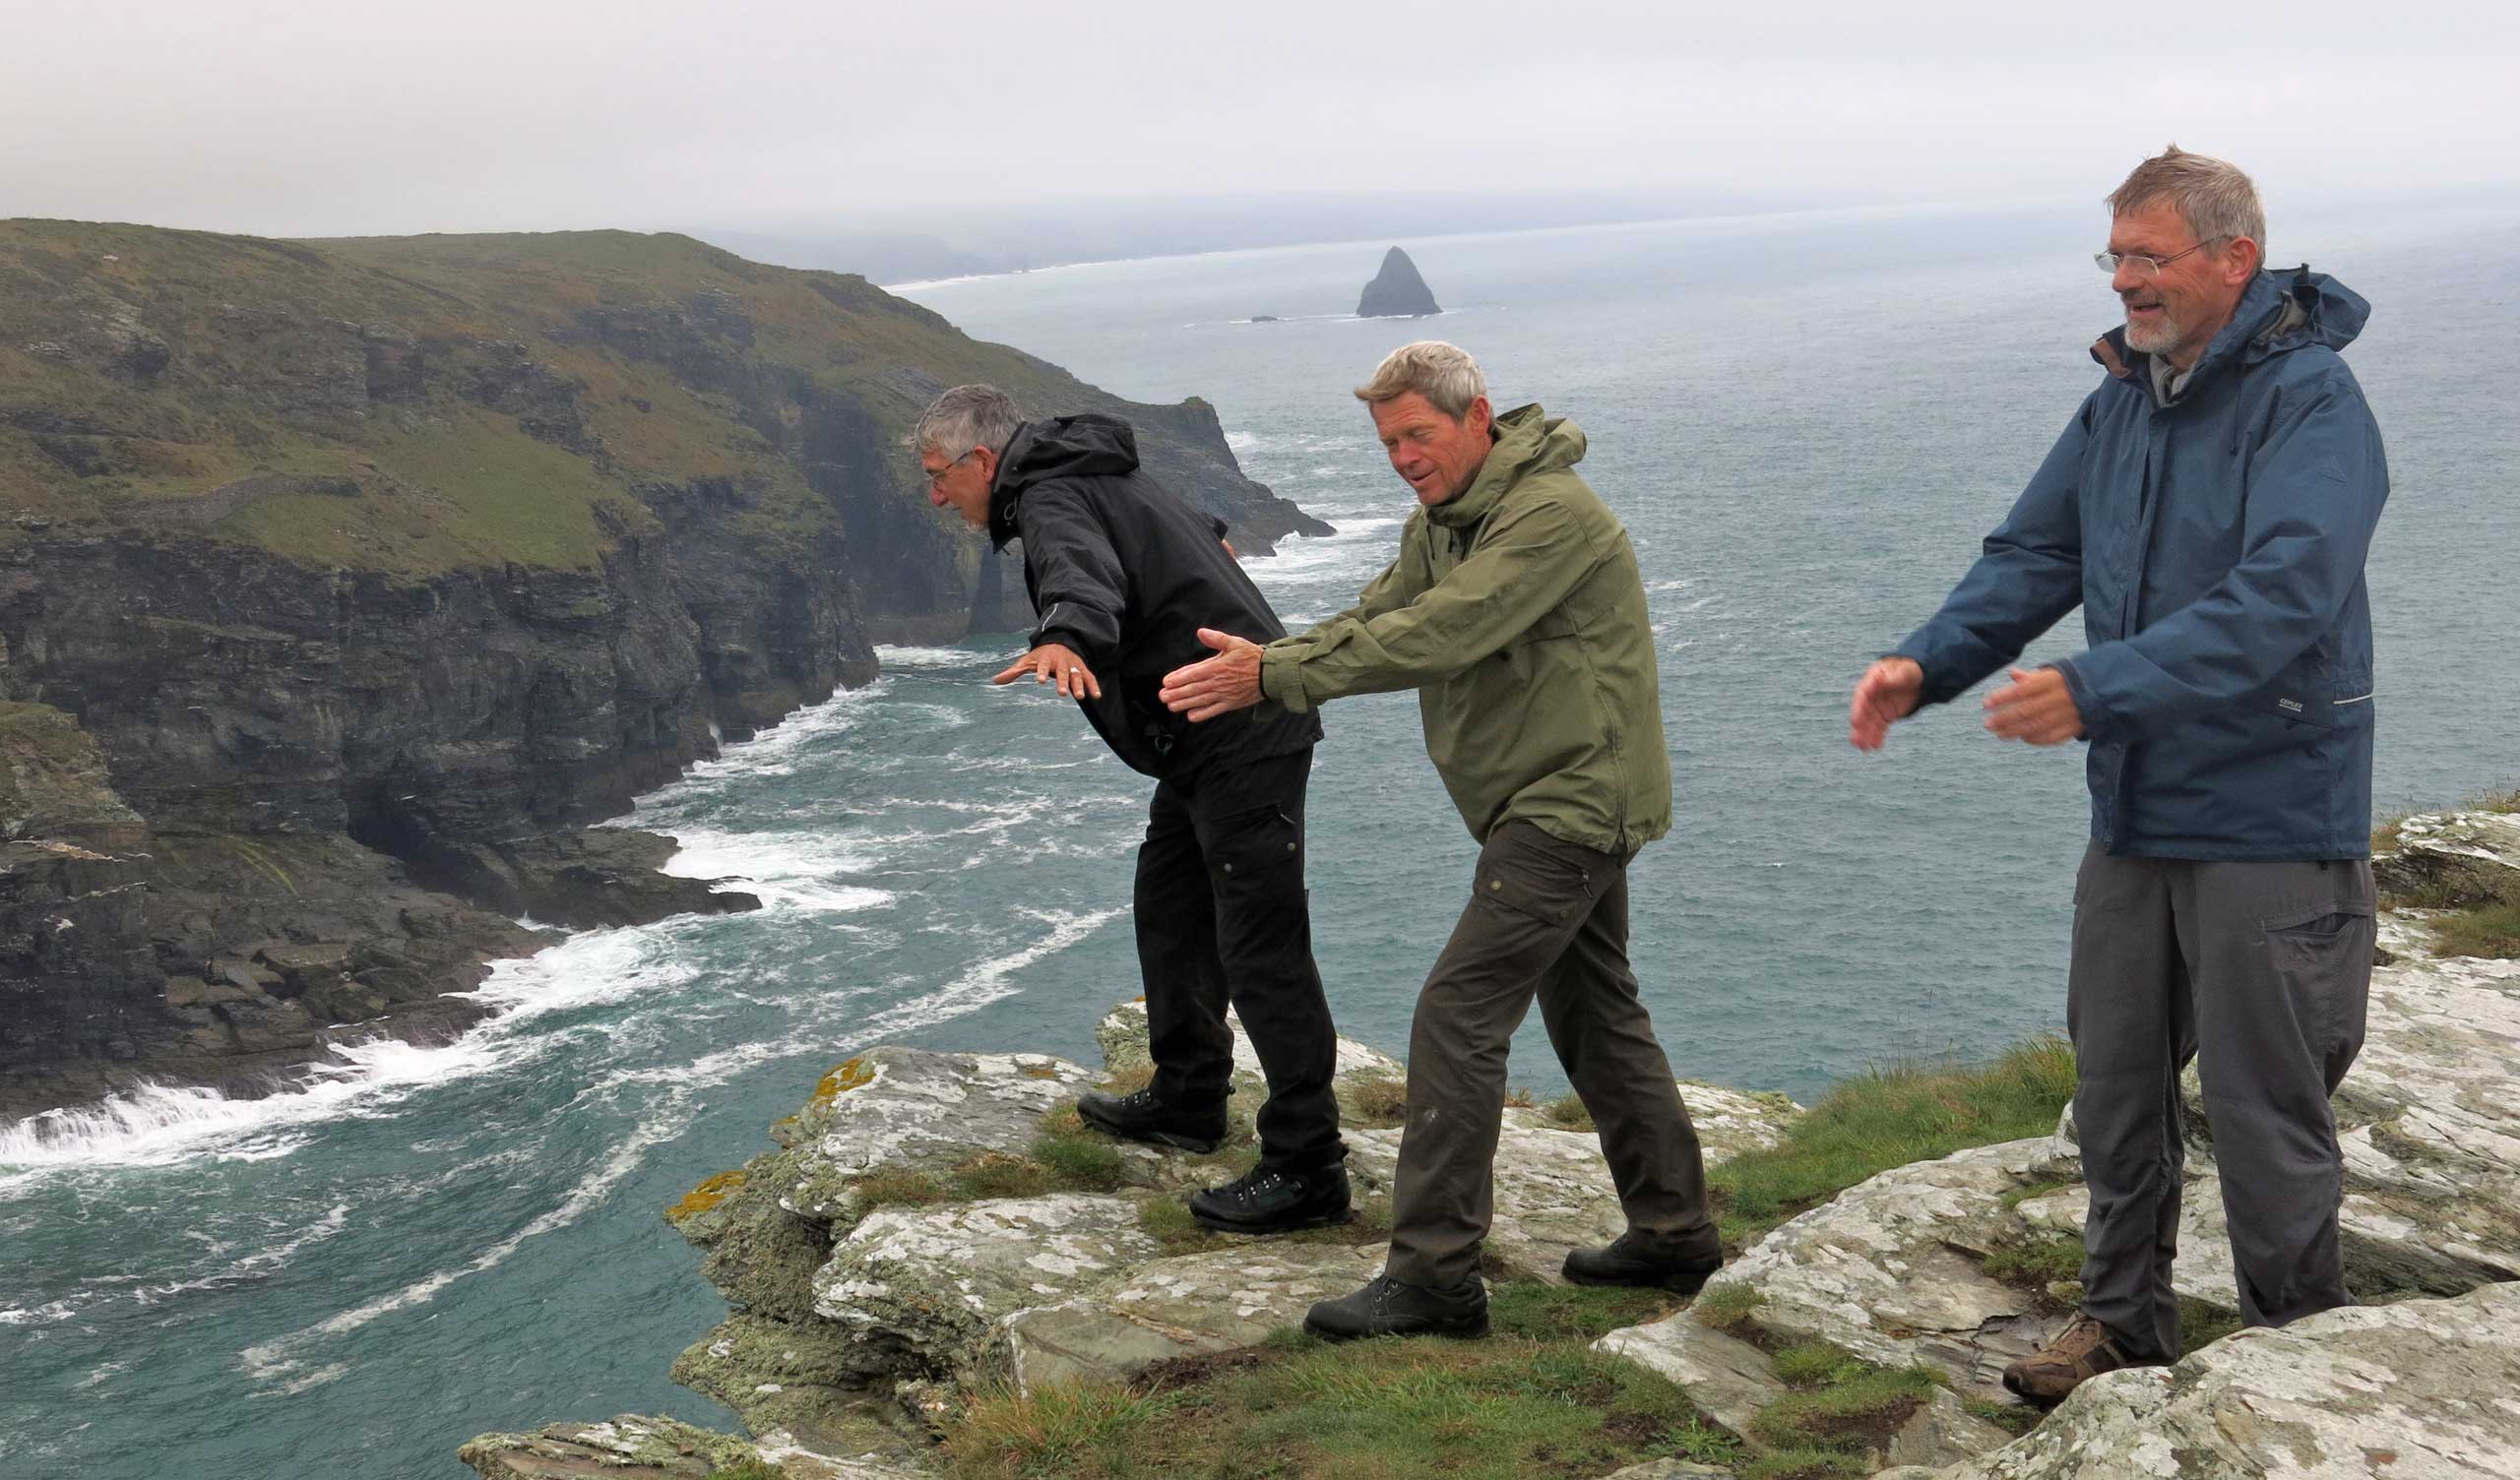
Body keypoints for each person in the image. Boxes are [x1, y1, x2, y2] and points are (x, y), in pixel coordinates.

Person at [1848, 147, 2390, 1403]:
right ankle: (2123, 1323)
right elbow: (2032, 554)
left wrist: (2093, 691)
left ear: (2232, 259)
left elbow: (2283, 598)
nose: (2126, 282)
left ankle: (2294, 1363)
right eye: (2117, 257)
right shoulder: (2123, 398)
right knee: (2114, 1085)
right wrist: (1921, 666)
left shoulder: (2310, 402)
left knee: (2265, 1111)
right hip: (2138, 807)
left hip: (2270, 810)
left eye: (2149, 257)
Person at [1160, 341, 1722, 1340]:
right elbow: (1390, 610)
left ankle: (1434, 1275)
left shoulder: (1549, 516)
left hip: (1572, 800)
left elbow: (1447, 631)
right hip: (1539, 796)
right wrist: (1276, 655)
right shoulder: (1447, 520)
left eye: (1417, 434)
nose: (1402, 458)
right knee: (1595, 1008)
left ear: (1478, 417)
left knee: (1455, 1015)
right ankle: (1674, 1230)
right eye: (1387, 441)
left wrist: (1275, 679)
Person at [913, 384, 1350, 1233]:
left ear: (981, 461)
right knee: (1171, 905)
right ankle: (1189, 1099)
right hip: (1202, 740)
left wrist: (1067, 635)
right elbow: (1192, 539)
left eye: (938, 475)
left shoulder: (1048, 494)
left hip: (1239, 734)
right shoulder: (1092, 469)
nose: (936, 496)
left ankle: (1308, 1167)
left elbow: (1085, 573)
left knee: (1263, 950)